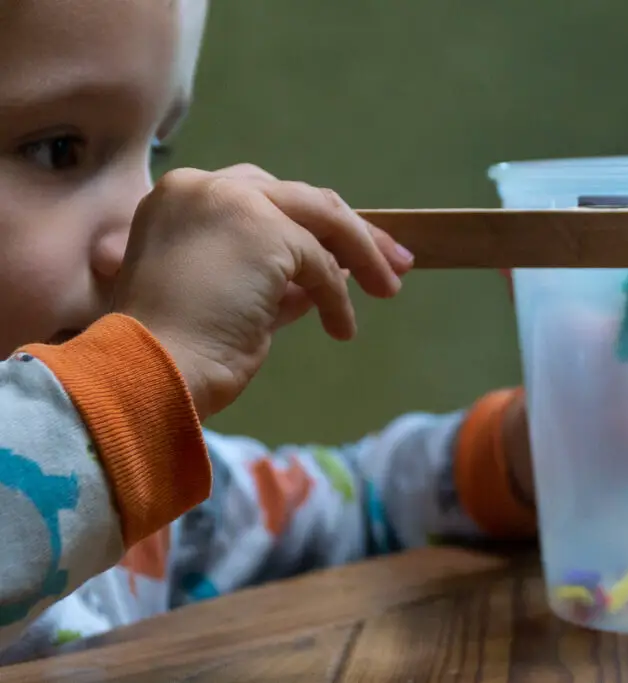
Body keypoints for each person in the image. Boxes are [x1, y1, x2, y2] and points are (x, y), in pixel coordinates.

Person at [0, 0, 536, 664]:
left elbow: (361, 511)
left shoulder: (155, 508)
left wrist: (521, 455)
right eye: (59, 150)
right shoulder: (114, 451)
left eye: (157, 149)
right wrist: (141, 378)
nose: (144, 231)